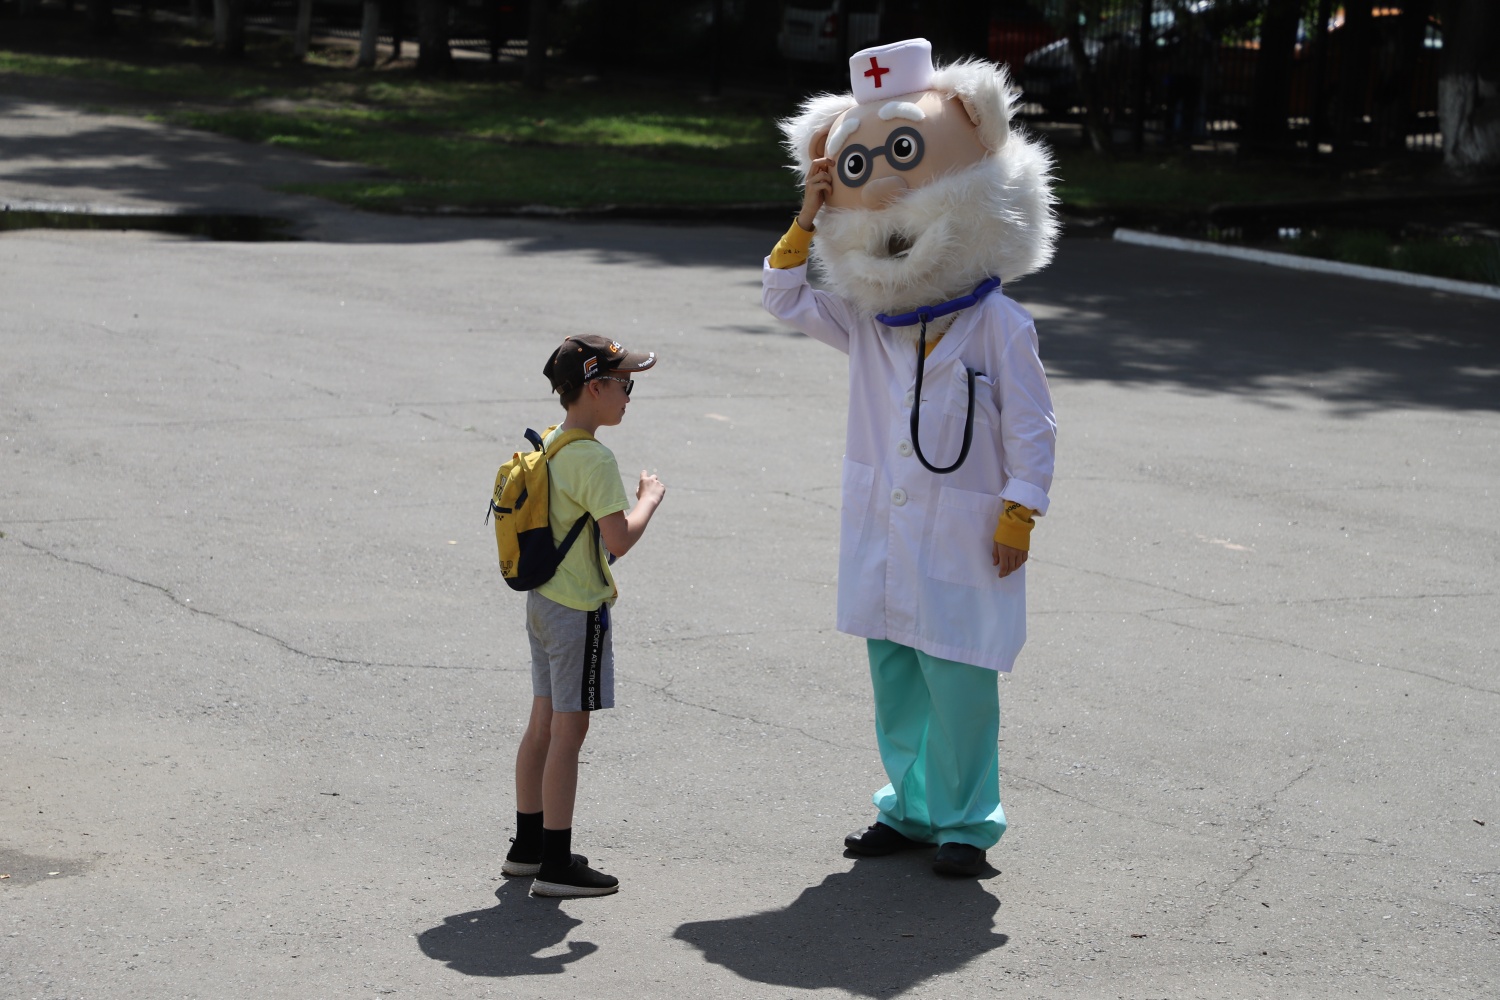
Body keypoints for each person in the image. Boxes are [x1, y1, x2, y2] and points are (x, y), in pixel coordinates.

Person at [762, 39, 1058, 877]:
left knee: (959, 681)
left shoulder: (999, 325)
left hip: (966, 531)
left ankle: (966, 824)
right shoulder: (869, 324)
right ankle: (910, 808)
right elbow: (783, 295)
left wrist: (1020, 509)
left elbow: (1034, 427)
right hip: (886, 528)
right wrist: (808, 214)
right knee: (895, 673)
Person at [501, 334, 665, 898]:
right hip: (578, 610)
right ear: (594, 388)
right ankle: (556, 864)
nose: (628, 397)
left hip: (543, 602)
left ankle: (527, 847)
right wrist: (648, 499)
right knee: (570, 732)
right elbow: (618, 538)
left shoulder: (552, 442)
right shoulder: (594, 458)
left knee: (542, 723)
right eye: (624, 386)